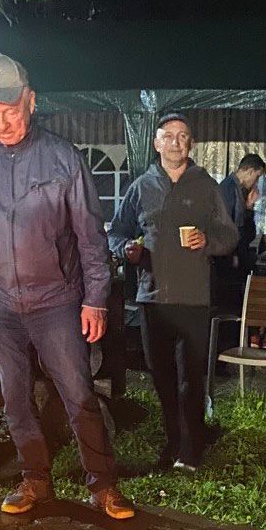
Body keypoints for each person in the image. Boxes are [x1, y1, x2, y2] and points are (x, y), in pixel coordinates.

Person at [0, 54, 134, 520]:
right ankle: (35, 479)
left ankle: (103, 484)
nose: (1, 122)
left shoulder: (63, 158)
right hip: (2, 305)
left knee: (78, 394)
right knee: (15, 399)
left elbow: (91, 237)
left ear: (30, 101)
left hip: (56, 302)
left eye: (10, 110)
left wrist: (96, 299)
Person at [109, 114, 238, 471]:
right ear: (157, 143)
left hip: (194, 297)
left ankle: (191, 448)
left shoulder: (206, 185)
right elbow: (116, 232)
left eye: (183, 136)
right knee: (162, 376)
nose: (176, 142)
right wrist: (127, 250)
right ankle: (173, 442)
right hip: (153, 297)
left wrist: (207, 240)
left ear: (191, 143)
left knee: (190, 378)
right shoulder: (141, 187)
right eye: (169, 136)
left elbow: (229, 235)